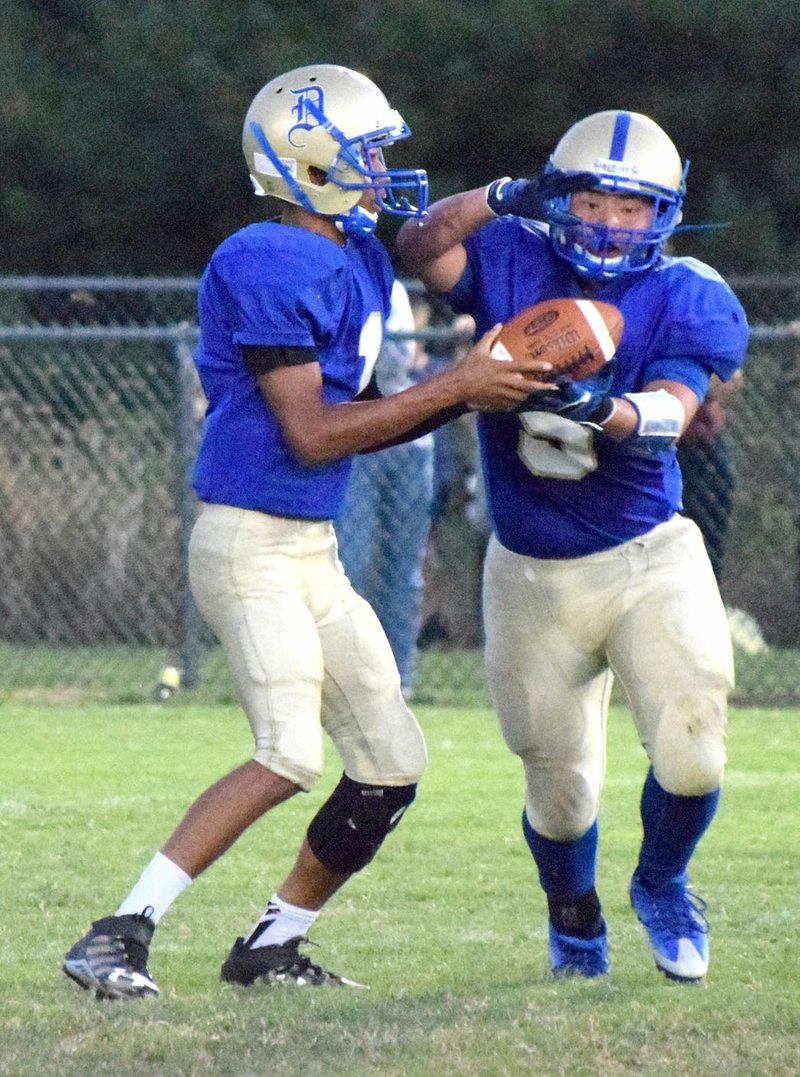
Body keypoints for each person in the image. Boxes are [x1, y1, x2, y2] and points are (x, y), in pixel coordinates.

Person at [62, 63, 551, 1000]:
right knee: (288, 750)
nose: (383, 168)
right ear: (313, 163)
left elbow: (368, 406)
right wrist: (458, 386)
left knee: (391, 760)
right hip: (248, 541)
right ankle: (115, 934)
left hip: (308, 549)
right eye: (368, 152)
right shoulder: (267, 257)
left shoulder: (357, 256)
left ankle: (271, 943)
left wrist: (482, 388)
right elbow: (314, 433)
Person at [397, 109, 749, 982]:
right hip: (528, 570)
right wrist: (502, 195)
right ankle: (574, 913)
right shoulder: (514, 252)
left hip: (646, 555)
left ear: (664, 215)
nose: (609, 223)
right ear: (560, 196)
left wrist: (604, 410)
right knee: (558, 792)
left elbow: (674, 407)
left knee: (696, 738)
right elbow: (420, 245)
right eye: (591, 200)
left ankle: (662, 881)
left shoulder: (685, 290)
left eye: (634, 209)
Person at [335, 280, 435, 699]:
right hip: (358, 440)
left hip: (406, 441)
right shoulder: (334, 284)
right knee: (349, 566)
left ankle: (400, 680)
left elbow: (398, 362)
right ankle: (344, 676)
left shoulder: (389, 287)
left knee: (403, 572)